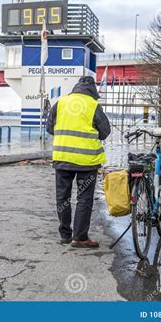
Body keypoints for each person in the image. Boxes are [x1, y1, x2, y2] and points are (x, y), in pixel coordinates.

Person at [46, 76, 111, 248]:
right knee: (84, 198)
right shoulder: (93, 105)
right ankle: (80, 237)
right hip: (86, 161)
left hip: (62, 158)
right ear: (93, 90)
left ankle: (65, 235)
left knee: (63, 197)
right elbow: (105, 132)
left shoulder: (60, 103)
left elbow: (49, 128)